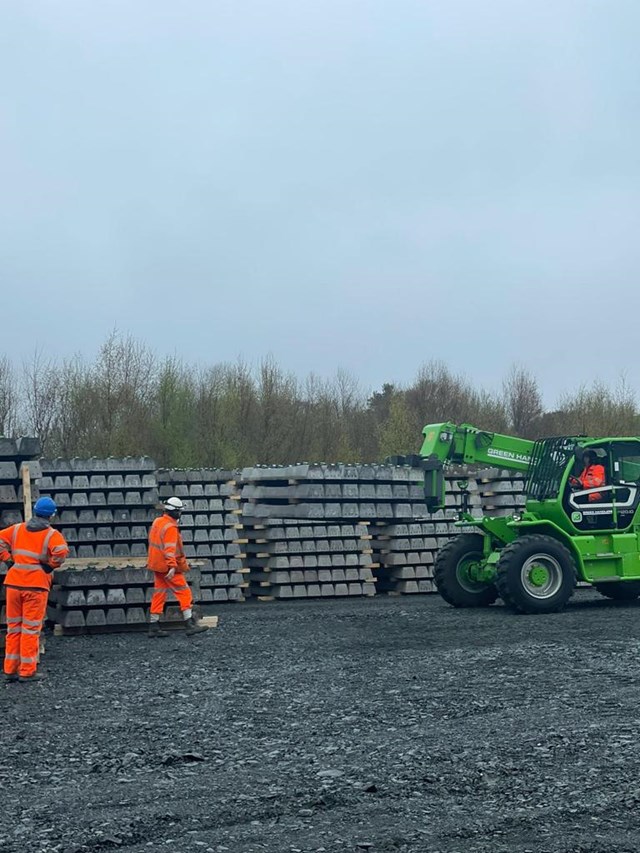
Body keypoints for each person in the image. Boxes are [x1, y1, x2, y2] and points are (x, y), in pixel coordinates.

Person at [0, 497, 68, 683]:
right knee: (30, 630)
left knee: (13, 628)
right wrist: (50, 566)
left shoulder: (16, 529)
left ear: (36, 511)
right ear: (51, 515)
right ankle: (27, 671)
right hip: (35, 587)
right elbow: (61, 552)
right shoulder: (52, 535)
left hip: (13, 584)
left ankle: (9, 670)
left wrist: (7, 560)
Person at [147, 497, 208, 637]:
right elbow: (169, 549)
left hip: (157, 565)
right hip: (168, 567)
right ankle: (189, 624)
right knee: (184, 592)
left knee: (159, 594)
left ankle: (154, 626)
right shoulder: (171, 528)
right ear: (174, 512)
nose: (180, 514)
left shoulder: (158, 521)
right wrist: (172, 567)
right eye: (179, 511)